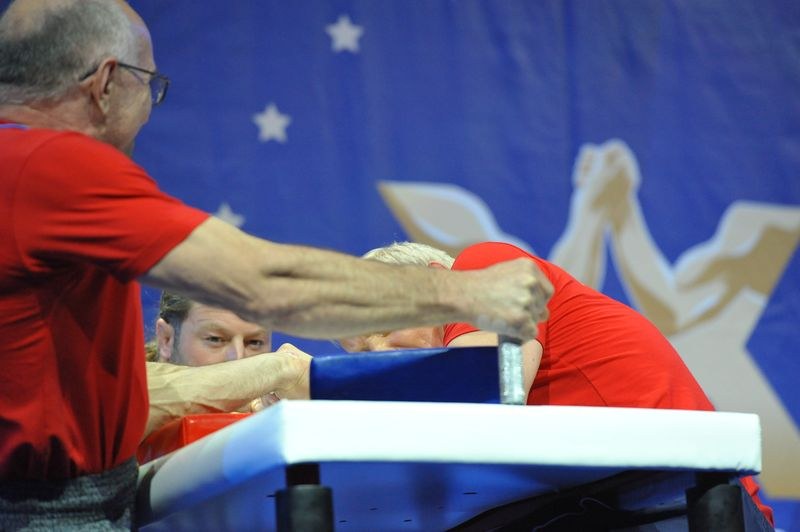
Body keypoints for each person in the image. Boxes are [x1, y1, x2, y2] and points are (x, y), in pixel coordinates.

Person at [0, 0, 552, 528]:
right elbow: (266, 283)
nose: (149, 107)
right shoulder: (56, 166)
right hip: (45, 509)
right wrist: (465, 294)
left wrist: (283, 371)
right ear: (105, 83)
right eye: (151, 84)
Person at [340, 241, 775, 527]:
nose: (379, 357)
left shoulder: (483, 269)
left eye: (386, 325)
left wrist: (320, 391)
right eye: (358, 357)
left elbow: (481, 394)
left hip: (688, 504)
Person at [143, 291, 312, 437]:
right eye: (215, 339)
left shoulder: (281, 418)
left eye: (254, 342)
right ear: (166, 339)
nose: (238, 359)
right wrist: (283, 369)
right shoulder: (120, 398)